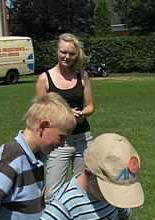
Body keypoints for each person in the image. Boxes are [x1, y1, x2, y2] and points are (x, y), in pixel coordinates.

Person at [35, 33, 94, 201]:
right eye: (63, 52)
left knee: (84, 190)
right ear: (57, 51)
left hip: (83, 139)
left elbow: (90, 106)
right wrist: (65, 115)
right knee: (52, 194)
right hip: (58, 143)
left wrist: (82, 114)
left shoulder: (82, 76)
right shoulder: (44, 79)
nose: (67, 57)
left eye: (71, 53)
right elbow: (39, 112)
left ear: (76, 55)